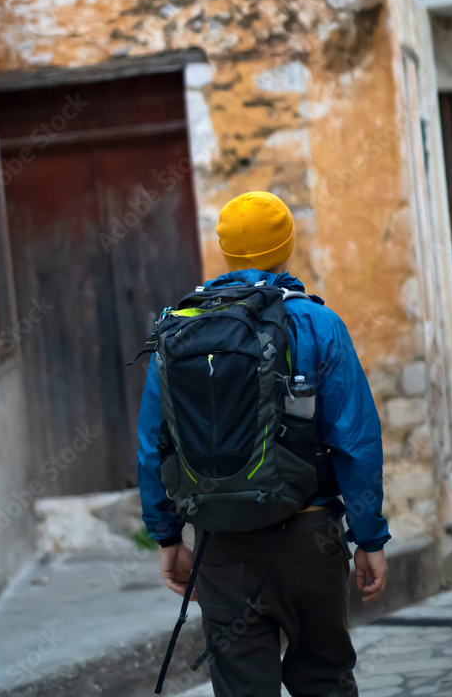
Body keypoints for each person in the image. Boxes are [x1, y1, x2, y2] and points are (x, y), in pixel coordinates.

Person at [138, 191, 390, 697]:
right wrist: (370, 538)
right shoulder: (318, 324)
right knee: (325, 680)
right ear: (288, 246)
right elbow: (356, 441)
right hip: (310, 536)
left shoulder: (181, 328)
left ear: (226, 252)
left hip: (221, 546)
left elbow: (152, 444)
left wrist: (167, 538)